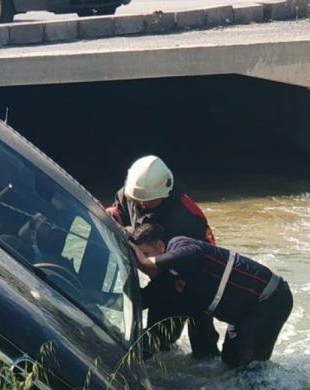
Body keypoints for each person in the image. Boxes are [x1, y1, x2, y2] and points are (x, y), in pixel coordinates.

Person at [129, 223, 293, 369]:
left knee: (248, 369)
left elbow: (194, 253)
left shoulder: (180, 244)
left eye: (145, 254)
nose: (143, 264)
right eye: (140, 260)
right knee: (231, 362)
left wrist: (148, 262)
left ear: (159, 245)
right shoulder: (167, 277)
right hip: (246, 313)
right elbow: (142, 299)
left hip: (271, 300)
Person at [105, 155, 219, 358]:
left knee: (202, 340)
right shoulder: (135, 192)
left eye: (146, 202)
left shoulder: (185, 220)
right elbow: (119, 211)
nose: (140, 205)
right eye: (136, 200)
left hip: (195, 276)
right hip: (161, 266)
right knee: (154, 339)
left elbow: (176, 278)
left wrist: (140, 300)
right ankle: (160, 351)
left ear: (164, 193)